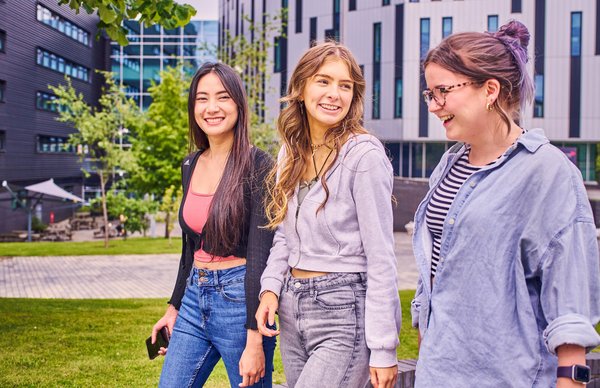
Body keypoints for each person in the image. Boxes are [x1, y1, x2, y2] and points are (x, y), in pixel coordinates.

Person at [411, 20, 600, 387]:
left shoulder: (548, 172)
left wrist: (570, 380)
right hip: (438, 373)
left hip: (506, 376)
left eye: (443, 91)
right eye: (429, 94)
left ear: (490, 90)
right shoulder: (448, 166)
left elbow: (570, 297)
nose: (434, 106)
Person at [255, 41, 401, 388]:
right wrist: (270, 290)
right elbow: (284, 235)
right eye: (324, 81)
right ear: (302, 87)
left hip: (343, 310)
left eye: (345, 85)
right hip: (292, 308)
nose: (335, 94)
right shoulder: (289, 154)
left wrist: (383, 348)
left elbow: (382, 257)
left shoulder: (363, 156)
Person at [150, 62, 276, 388]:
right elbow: (189, 247)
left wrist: (254, 338)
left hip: (239, 302)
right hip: (195, 296)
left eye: (222, 97)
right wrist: (173, 307)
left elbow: (261, 257)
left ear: (238, 104)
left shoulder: (259, 165)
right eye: (202, 99)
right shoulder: (190, 164)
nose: (212, 108)